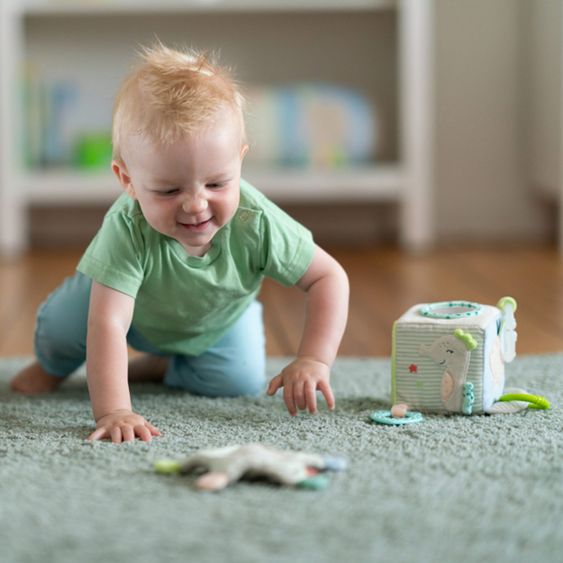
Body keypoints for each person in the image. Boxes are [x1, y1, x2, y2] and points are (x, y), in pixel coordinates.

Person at [10, 44, 349, 443]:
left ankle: (160, 366)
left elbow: (328, 277)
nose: (196, 203)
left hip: (217, 316)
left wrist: (312, 358)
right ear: (127, 180)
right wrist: (116, 410)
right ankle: (52, 366)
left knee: (235, 381)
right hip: (119, 309)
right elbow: (108, 322)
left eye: (218, 183)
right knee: (60, 331)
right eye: (169, 190)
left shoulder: (256, 221)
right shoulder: (128, 226)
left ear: (240, 160)